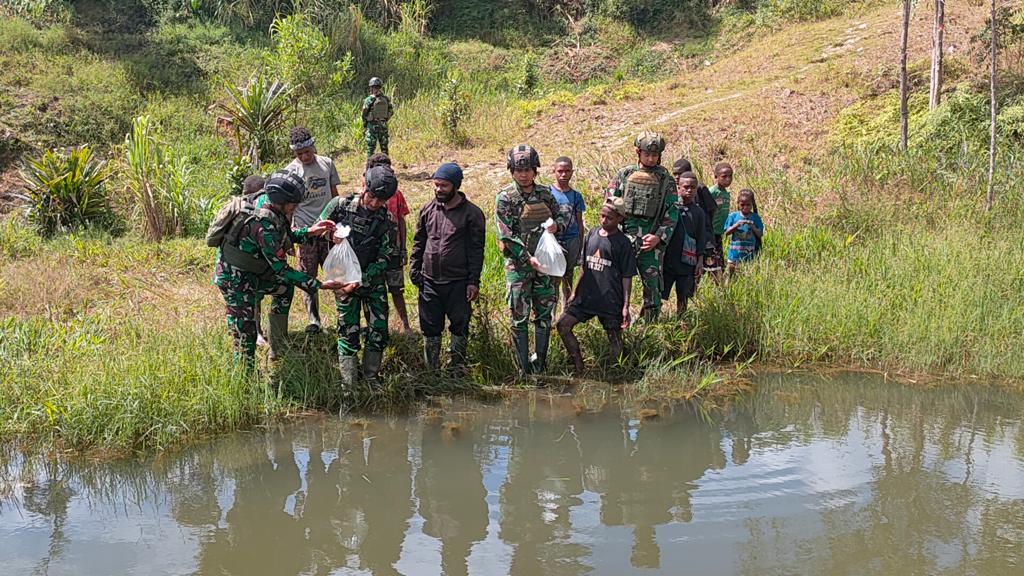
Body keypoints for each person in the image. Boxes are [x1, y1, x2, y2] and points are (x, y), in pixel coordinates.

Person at [212, 171, 341, 365]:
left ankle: (278, 349)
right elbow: (282, 269)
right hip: (235, 278)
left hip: (256, 269)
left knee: (283, 288)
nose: (296, 207)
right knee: (244, 333)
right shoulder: (262, 223)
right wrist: (319, 285)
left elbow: (284, 236)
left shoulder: (273, 206)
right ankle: (245, 379)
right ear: (282, 200)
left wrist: (311, 231)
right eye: (294, 204)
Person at [319, 166, 398, 389]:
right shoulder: (340, 206)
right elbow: (319, 227)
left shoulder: (387, 221)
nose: (374, 204)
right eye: (372, 197)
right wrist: (329, 233)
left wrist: (360, 279)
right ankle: (349, 384)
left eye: (381, 201)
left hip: (372, 283)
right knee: (348, 331)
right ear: (364, 186)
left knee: (378, 330)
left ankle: (371, 377)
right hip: (343, 282)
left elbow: (385, 257)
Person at [495, 144, 566, 377]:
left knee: (545, 315)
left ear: (535, 170)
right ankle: (522, 369)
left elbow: (562, 215)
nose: (523, 174)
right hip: (518, 266)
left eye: (528, 170)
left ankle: (541, 366)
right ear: (511, 170)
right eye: (518, 170)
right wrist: (527, 258)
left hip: (544, 265)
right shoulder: (505, 197)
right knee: (519, 316)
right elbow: (506, 234)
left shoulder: (545, 194)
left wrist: (558, 225)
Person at [410, 163, 486, 377]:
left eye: (443, 185)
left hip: (459, 282)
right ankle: (431, 374)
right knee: (430, 328)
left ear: (455, 186)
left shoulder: (472, 214)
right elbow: (419, 241)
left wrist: (473, 281)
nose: (438, 189)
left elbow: (476, 250)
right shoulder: (427, 210)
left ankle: (456, 370)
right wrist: (415, 270)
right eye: (435, 185)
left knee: (460, 325)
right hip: (429, 281)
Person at [556, 197, 636, 376]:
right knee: (562, 325)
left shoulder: (623, 243)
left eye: (609, 218)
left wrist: (625, 306)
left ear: (619, 219)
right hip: (587, 296)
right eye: (602, 216)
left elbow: (627, 276)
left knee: (614, 338)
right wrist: (574, 293)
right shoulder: (591, 234)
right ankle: (579, 368)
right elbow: (585, 267)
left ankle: (614, 375)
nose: (603, 220)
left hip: (610, 299)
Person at [607, 131, 678, 322]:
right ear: (638, 152)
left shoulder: (665, 179)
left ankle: (650, 326)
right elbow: (610, 204)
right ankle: (616, 323)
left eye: (655, 155)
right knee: (616, 283)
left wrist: (658, 237)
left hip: (651, 242)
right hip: (624, 239)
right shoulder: (625, 174)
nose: (651, 158)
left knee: (652, 287)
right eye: (647, 154)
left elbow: (672, 211)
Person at [285, 126, 340, 334]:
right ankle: (313, 319)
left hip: (327, 230)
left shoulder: (327, 164)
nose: (304, 156)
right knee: (307, 276)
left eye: (307, 151)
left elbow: (335, 195)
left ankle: (342, 315)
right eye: (299, 154)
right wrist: (289, 237)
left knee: (336, 271)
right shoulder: (291, 171)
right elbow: (287, 205)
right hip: (305, 231)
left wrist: (339, 223)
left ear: (313, 146)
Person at [366, 153, 413, 334]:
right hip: (373, 252)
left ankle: (405, 325)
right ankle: (378, 327)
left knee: (396, 289)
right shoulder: (367, 194)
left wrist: (403, 248)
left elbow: (401, 220)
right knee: (373, 291)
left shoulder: (396, 194)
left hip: (393, 250)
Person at [661, 171, 709, 317]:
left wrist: (700, 261)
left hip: (687, 263)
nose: (689, 190)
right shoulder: (670, 208)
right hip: (667, 262)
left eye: (693, 187)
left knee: (683, 297)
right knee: (657, 295)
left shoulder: (699, 213)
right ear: (679, 187)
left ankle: (681, 324)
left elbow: (701, 237)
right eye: (686, 187)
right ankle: (649, 322)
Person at [549, 156, 586, 312]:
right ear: (554, 171)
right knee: (553, 278)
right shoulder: (547, 193)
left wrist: (581, 243)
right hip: (554, 240)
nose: (563, 175)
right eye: (560, 171)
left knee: (568, 275)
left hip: (572, 239)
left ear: (572, 172)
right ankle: (551, 312)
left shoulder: (576, 196)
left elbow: (579, 222)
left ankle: (566, 311)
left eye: (567, 171)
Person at [723, 189, 764, 275]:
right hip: (734, 254)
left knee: (747, 274)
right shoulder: (733, 216)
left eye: (748, 205)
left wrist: (752, 226)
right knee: (730, 274)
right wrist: (736, 225)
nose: (745, 207)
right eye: (742, 205)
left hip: (749, 254)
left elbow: (760, 234)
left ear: (752, 205)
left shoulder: (755, 217)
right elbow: (726, 232)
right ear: (738, 204)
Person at [708, 162, 734, 279]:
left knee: (718, 258)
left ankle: (719, 281)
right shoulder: (712, 192)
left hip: (719, 232)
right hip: (710, 232)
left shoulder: (726, 194)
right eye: (724, 176)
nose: (727, 179)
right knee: (711, 259)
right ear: (716, 176)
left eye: (730, 176)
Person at [361, 76, 393, 158]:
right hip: (383, 126)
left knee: (371, 149)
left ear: (371, 88)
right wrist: (384, 120)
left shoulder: (369, 99)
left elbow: (364, 113)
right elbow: (391, 111)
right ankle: (387, 166)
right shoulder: (385, 99)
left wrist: (365, 124)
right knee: (384, 148)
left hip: (372, 125)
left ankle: (369, 168)